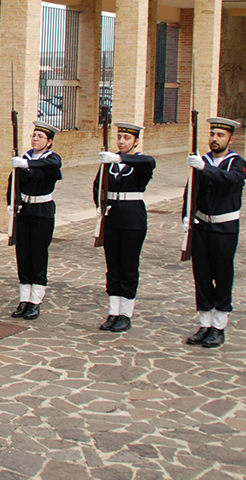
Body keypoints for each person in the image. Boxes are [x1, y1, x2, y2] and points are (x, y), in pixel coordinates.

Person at [183, 116, 246, 349]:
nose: (215, 139)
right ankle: (204, 323)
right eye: (212, 134)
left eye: (220, 135)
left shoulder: (236, 162)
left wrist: (204, 167)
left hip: (224, 227)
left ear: (231, 138)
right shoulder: (203, 160)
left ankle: (219, 326)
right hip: (202, 225)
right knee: (201, 275)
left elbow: (230, 182)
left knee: (222, 275)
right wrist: (187, 215)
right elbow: (191, 189)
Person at [93, 122, 155, 333]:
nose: (121, 141)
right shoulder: (108, 164)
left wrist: (119, 158)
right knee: (113, 266)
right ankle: (113, 311)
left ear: (136, 141)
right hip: (112, 218)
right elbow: (97, 185)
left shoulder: (140, 162)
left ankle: (125, 313)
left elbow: (149, 162)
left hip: (132, 219)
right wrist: (100, 206)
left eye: (127, 138)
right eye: (119, 137)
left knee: (128, 266)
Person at [8, 121, 62, 321]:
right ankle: (24, 299)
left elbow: (53, 166)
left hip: (42, 211)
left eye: (40, 136)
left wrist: (27, 164)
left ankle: (36, 301)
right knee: (23, 255)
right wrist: (11, 203)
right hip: (25, 210)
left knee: (38, 255)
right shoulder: (25, 158)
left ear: (49, 142)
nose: (35, 139)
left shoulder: (51, 159)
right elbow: (12, 182)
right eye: (34, 135)